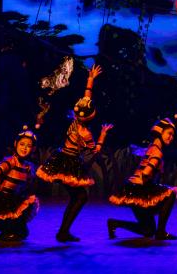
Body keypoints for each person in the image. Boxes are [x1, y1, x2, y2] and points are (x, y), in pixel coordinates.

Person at [37, 64, 112, 242]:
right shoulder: (85, 133)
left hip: (63, 159)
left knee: (78, 197)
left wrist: (90, 79)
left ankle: (63, 231)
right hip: (69, 163)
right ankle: (63, 231)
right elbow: (94, 151)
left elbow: (86, 98)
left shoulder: (75, 121)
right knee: (81, 197)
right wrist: (103, 135)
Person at [107, 117, 177, 240]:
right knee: (170, 194)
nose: (171, 137)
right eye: (169, 133)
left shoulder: (151, 147)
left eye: (173, 135)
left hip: (134, 189)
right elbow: (146, 172)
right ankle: (161, 232)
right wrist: (149, 170)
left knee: (148, 230)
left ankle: (114, 223)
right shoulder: (157, 151)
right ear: (160, 132)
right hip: (140, 190)